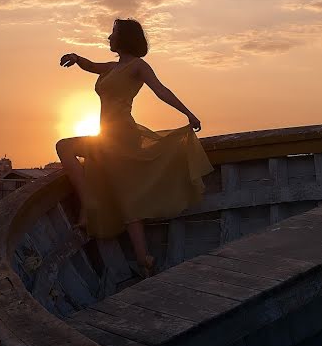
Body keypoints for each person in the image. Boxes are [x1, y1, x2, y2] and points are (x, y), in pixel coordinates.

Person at [56, 18, 214, 278]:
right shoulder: (111, 68)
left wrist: (189, 114)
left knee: (67, 148)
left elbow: (161, 90)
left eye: (113, 33)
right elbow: (91, 65)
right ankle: (145, 259)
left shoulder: (138, 66)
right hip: (107, 137)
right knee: (126, 197)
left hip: (123, 137)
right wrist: (76, 57)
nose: (109, 37)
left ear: (125, 38)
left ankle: (90, 206)